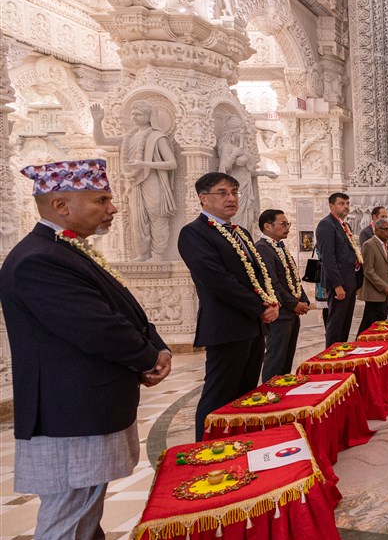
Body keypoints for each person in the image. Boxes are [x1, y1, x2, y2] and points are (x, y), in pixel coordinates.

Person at [0, 159, 171, 540]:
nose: (111, 208)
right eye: (100, 200)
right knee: (68, 506)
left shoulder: (64, 250)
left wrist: (152, 344)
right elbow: (94, 326)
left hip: (87, 400)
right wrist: (143, 356)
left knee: (86, 500)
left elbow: (122, 307)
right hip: (66, 406)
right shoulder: (38, 261)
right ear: (60, 204)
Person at [179, 172, 280, 439]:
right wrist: (259, 307)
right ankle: (205, 449)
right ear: (203, 199)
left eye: (234, 192)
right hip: (226, 327)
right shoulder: (193, 233)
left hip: (253, 326)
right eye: (222, 193)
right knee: (218, 395)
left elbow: (258, 274)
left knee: (246, 394)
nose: (231, 198)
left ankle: (239, 443)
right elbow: (217, 281)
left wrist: (271, 301)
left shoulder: (240, 232)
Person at [90, 102, 177, 261]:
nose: (134, 117)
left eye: (138, 114)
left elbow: (172, 163)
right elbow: (101, 140)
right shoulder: (129, 137)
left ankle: (158, 254)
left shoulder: (157, 137)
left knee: (157, 216)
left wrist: (144, 164)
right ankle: (143, 254)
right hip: (134, 181)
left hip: (152, 180)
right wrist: (97, 121)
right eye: (133, 114)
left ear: (149, 117)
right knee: (137, 218)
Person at [256, 209, 311, 381]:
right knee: (276, 357)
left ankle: (283, 387)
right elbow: (272, 282)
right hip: (280, 311)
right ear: (267, 226)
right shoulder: (262, 248)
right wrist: (293, 304)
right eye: (283, 224)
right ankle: (270, 390)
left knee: (287, 354)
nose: (287, 227)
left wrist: (303, 299)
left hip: (290, 311)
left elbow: (292, 276)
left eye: (288, 224)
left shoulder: (280, 247)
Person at [316, 192, 363, 344]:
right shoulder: (326, 225)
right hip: (339, 284)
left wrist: (357, 281)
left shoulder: (345, 225)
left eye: (347, 203)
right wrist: (337, 285)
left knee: (345, 323)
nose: (346, 206)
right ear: (331, 206)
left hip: (349, 281)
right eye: (341, 203)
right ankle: (332, 356)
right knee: (336, 324)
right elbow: (328, 258)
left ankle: (342, 352)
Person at [358, 219, 388, 336]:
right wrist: (385, 287)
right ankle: (361, 345)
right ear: (376, 230)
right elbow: (368, 271)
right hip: (374, 293)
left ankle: (372, 345)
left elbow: (387, 269)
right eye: (385, 229)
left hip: (384, 293)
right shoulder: (369, 245)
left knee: (378, 324)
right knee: (371, 325)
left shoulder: (384, 245)